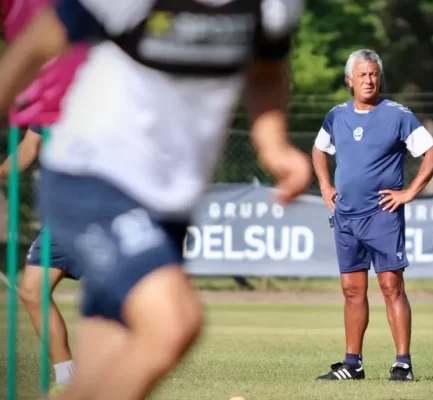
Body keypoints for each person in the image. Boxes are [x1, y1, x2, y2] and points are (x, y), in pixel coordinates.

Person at [0, 1, 311, 399]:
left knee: (101, 375)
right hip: (93, 175)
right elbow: (35, 44)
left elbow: (267, 71)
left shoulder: (274, 7)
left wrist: (273, 143)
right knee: (173, 323)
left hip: (169, 202)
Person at [312, 49, 433, 382]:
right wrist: (326, 185)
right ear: (349, 81)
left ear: (379, 77)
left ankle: (403, 363)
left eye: (373, 74)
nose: (368, 80)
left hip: (382, 216)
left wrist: (409, 192)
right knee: (352, 290)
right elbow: (318, 150)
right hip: (345, 216)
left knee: (391, 287)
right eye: (362, 75)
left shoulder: (397, 115)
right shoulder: (336, 115)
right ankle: (352, 364)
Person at [0, 125, 80, 391]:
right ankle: (69, 378)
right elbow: (27, 149)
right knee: (33, 291)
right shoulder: (49, 100)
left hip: (105, 201)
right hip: (65, 213)